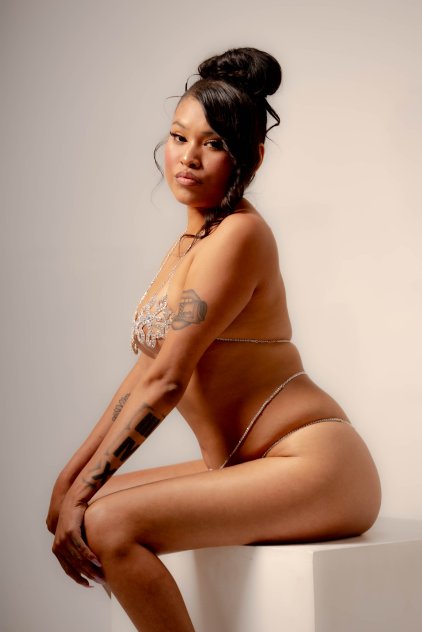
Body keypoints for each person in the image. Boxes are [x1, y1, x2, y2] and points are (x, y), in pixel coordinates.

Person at [46, 47, 381, 632]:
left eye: (215, 143)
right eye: (179, 137)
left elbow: (168, 380)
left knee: (108, 523)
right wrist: (72, 480)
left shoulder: (239, 236)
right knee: (90, 506)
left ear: (252, 156)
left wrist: (80, 489)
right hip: (244, 464)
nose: (189, 157)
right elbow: (146, 371)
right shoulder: (192, 243)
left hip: (315, 464)